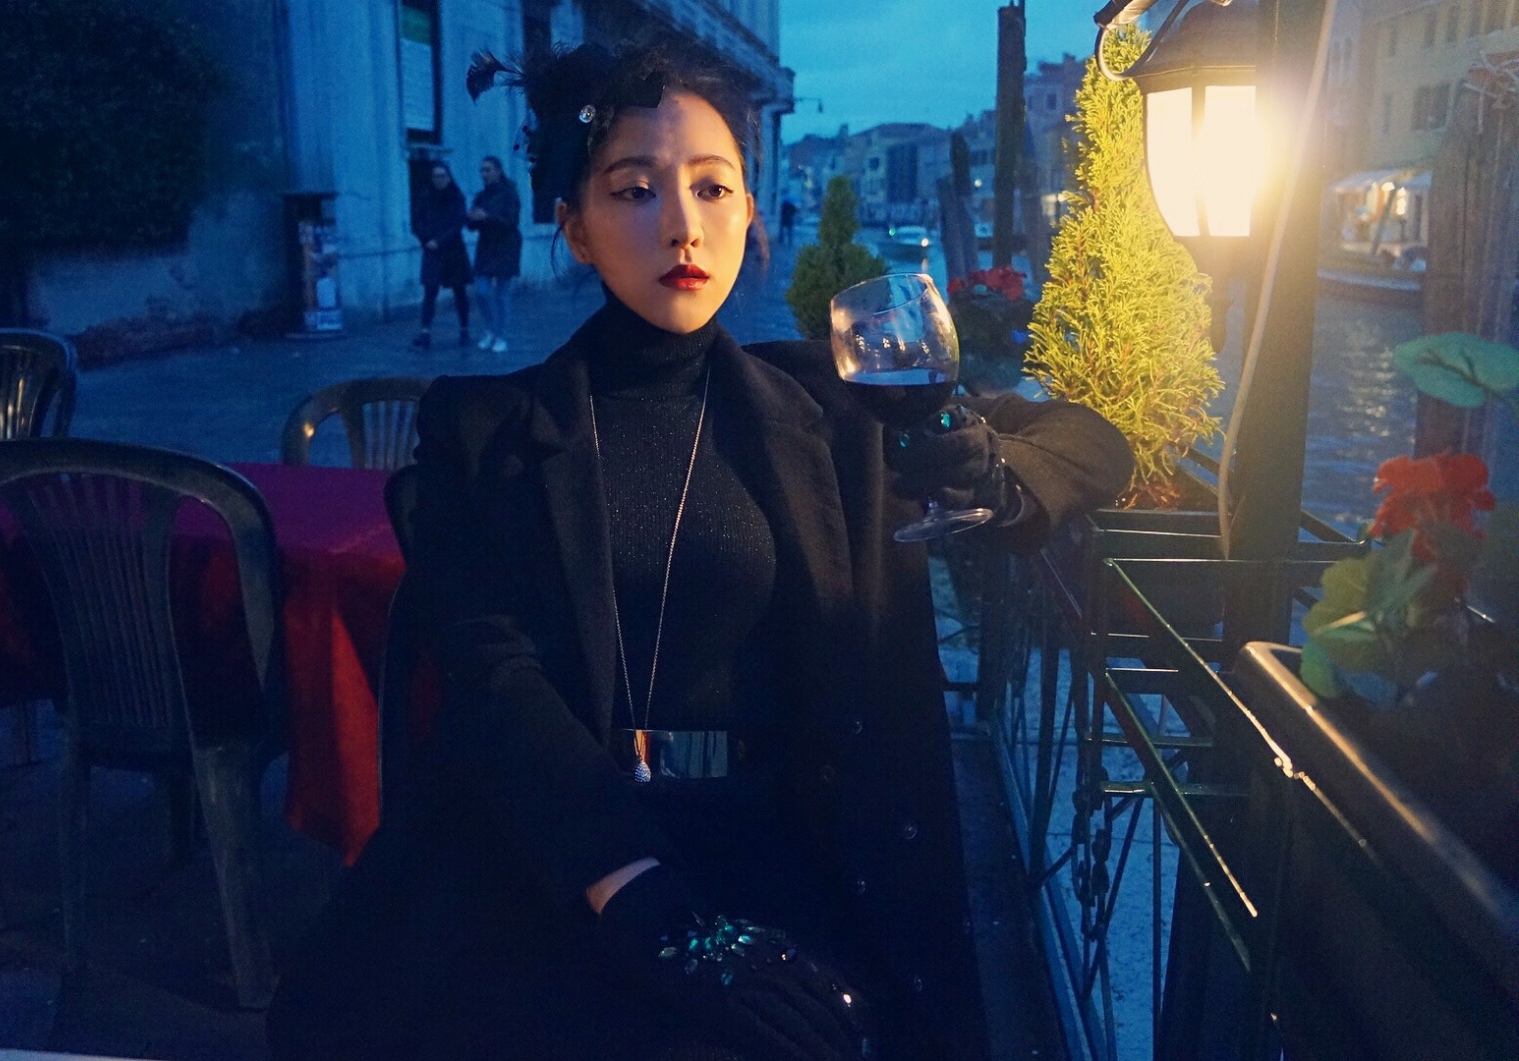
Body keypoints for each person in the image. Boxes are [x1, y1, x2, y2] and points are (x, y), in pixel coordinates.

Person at [267, 39, 1132, 1061]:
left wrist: (990, 471)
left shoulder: (831, 397)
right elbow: (494, 680)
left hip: (781, 843)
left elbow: (1094, 442)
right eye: (635, 190)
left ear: (749, 211)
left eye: (713, 187)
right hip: (561, 848)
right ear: (574, 228)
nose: (681, 223)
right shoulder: (484, 431)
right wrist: (642, 898)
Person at [410, 161, 474, 349]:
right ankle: (425, 332)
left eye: (442, 176)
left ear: (448, 177)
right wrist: (426, 239)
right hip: (431, 250)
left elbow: (458, 222)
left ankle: (464, 329)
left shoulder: (456, 196)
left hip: (454, 251)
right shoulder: (424, 196)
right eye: (435, 176)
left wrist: (440, 240)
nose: (438, 179)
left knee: (459, 291)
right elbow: (416, 222)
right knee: (430, 291)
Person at [466, 154, 522, 353]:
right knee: (481, 292)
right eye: (482, 170)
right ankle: (489, 329)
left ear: (498, 171)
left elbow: (511, 222)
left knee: (501, 295)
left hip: (506, 248)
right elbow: (472, 225)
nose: (484, 174)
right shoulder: (481, 196)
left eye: (488, 169)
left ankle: (500, 335)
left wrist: (487, 217)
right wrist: (472, 218)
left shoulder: (510, 194)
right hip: (486, 249)